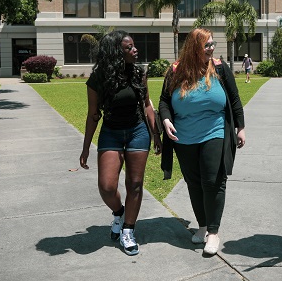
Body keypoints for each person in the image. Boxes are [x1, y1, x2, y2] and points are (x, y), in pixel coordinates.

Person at [159, 28, 246, 256]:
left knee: (213, 180)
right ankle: (203, 227)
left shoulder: (219, 68)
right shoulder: (175, 71)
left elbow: (234, 99)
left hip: (215, 132)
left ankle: (214, 233)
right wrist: (166, 119)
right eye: (207, 45)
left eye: (212, 44)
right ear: (194, 47)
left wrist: (241, 127)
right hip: (184, 137)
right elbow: (164, 101)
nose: (211, 48)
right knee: (194, 182)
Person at [80, 30, 162, 256]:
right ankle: (119, 212)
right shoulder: (98, 78)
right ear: (117, 53)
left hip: (137, 131)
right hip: (111, 133)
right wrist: (86, 147)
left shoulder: (138, 73)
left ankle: (128, 230)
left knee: (134, 184)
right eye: (129, 48)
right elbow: (93, 114)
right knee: (106, 186)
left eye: (134, 46)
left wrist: (156, 134)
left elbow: (146, 104)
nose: (135, 50)